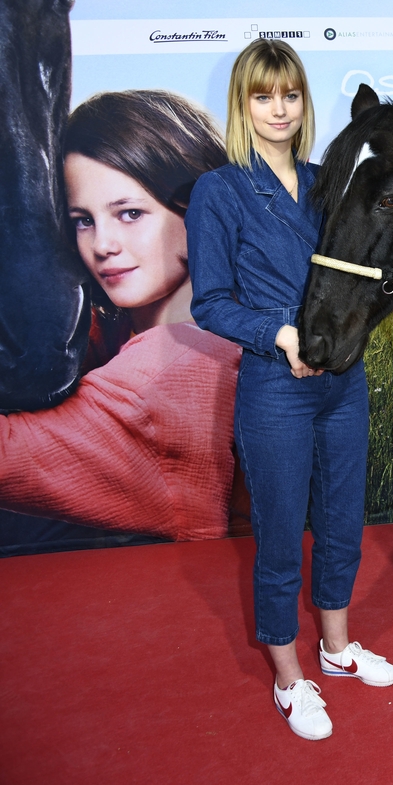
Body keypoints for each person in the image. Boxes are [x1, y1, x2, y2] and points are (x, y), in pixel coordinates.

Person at [186, 38, 393, 742]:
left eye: (291, 94)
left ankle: (336, 650)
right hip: (275, 387)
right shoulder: (219, 191)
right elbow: (210, 302)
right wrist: (279, 334)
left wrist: (389, 301)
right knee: (280, 538)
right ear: (244, 106)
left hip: (343, 381)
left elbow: (353, 273)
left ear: (304, 103)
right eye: (263, 95)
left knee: (342, 521)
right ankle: (287, 675)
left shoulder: (326, 181)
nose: (279, 108)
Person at [0, 89, 243, 544]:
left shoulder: (178, 366)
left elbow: (9, 454)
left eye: (129, 213)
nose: (102, 245)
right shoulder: (126, 326)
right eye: (82, 220)